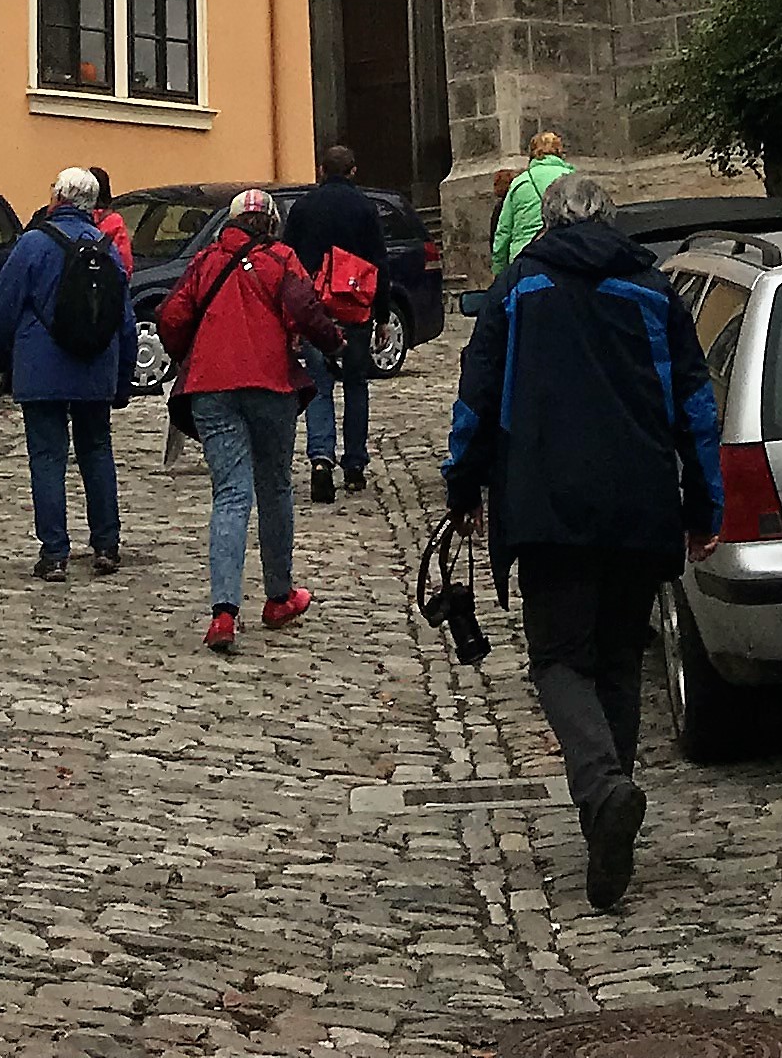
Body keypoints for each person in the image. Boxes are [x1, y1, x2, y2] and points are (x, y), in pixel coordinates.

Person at [442, 170, 722, 916]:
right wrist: (704, 503)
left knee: (560, 660)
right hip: (639, 503)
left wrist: (463, 485)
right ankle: (608, 821)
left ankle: (602, 790)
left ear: (548, 221)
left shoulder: (520, 288)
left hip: (548, 504)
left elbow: (477, 394)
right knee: (619, 662)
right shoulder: (653, 290)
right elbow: (695, 406)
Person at [156, 185, 332, 654]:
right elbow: (305, 308)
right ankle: (279, 596)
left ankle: (223, 613)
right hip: (270, 384)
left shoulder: (206, 261)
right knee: (274, 486)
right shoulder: (281, 259)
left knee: (230, 495)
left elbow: (171, 317)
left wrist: (191, 354)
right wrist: (333, 341)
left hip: (211, 388)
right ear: (271, 223)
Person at [0, 165, 129, 585]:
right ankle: (106, 545)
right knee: (96, 451)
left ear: (58, 198)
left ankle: (54, 554)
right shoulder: (106, 248)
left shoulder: (33, 244)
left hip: (41, 368)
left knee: (47, 458)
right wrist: (121, 379)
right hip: (95, 367)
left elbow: (3, 306)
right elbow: (124, 319)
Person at [285, 140, 385, 507]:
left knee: (319, 385)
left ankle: (321, 460)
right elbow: (379, 263)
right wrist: (382, 315)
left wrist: (292, 319)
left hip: (316, 310)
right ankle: (355, 464)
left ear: (321, 171)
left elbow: (289, 264)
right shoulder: (366, 208)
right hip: (355, 309)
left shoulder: (303, 207)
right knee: (356, 385)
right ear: (353, 171)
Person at [487, 125, 570, 281]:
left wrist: (499, 271)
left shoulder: (520, 183)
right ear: (559, 151)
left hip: (524, 259)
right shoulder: (572, 179)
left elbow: (504, 231)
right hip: (564, 256)